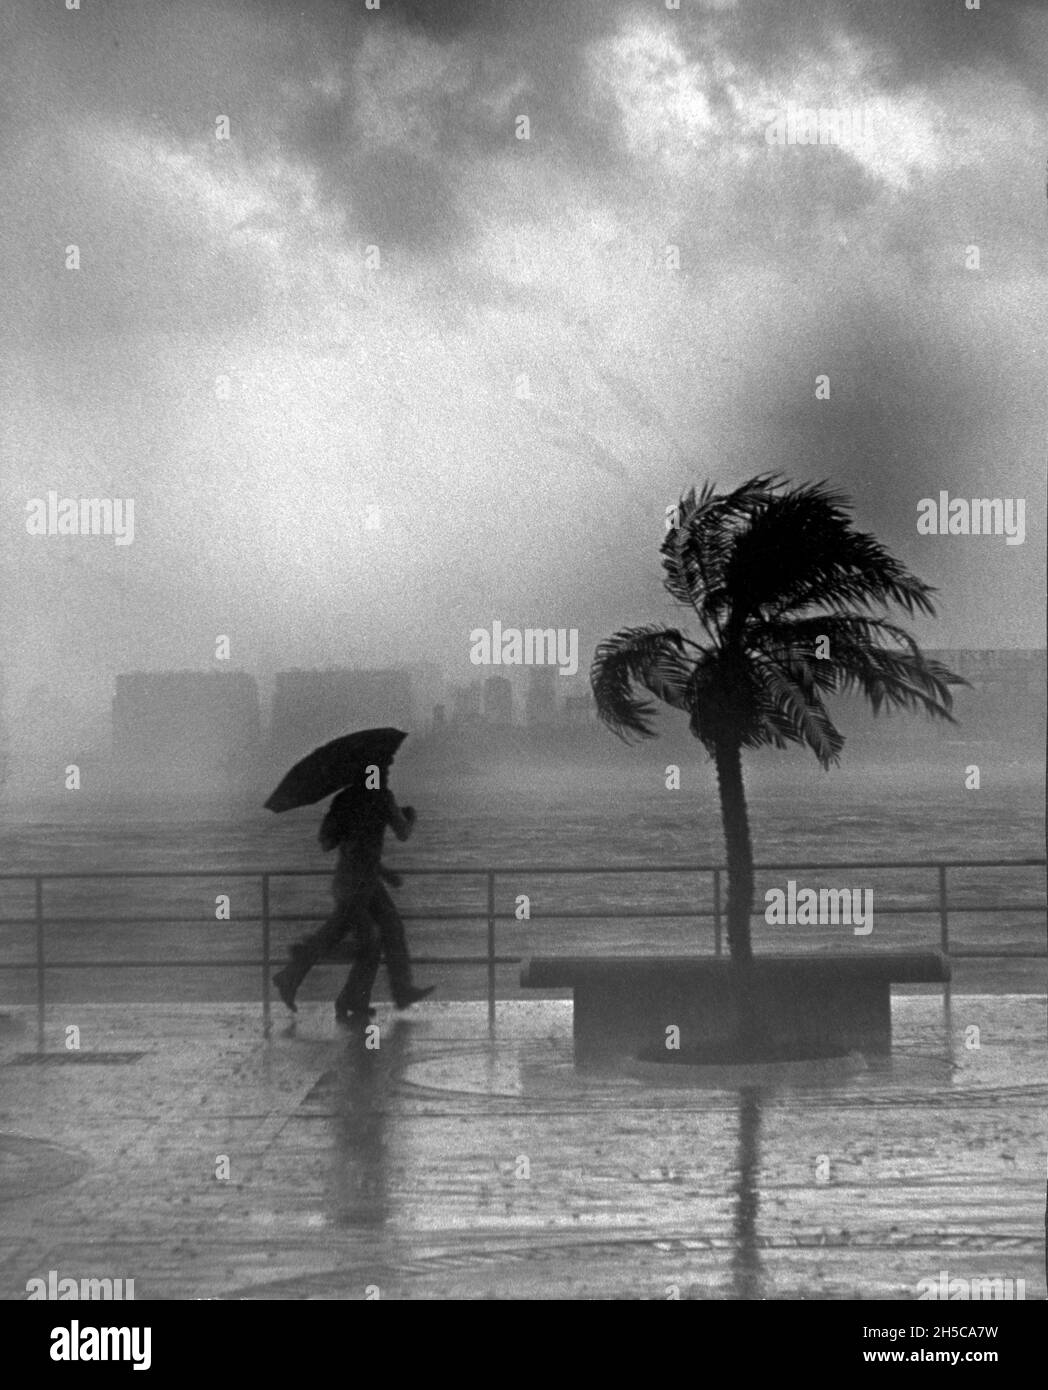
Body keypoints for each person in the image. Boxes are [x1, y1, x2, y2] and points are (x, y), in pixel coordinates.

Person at [272, 780, 434, 1022]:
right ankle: (328, 983)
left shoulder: (344, 799)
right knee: (368, 941)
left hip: (351, 881)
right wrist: (410, 816)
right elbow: (402, 833)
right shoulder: (382, 796)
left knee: (387, 928)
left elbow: (328, 842)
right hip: (360, 885)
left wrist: (353, 831)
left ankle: (388, 992)